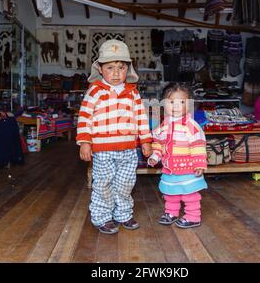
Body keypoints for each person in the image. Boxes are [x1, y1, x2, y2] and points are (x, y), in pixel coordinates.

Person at [76, 39, 152, 234]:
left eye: (121, 67)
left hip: (128, 150)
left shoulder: (132, 93)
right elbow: (85, 118)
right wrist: (85, 142)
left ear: (128, 69)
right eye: (110, 67)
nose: (116, 73)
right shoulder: (95, 91)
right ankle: (102, 217)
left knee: (126, 183)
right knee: (103, 183)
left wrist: (145, 140)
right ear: (100, 69)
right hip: (102, 151)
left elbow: (141, 118)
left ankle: (123, 214)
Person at [148, 83, 208, 228]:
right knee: (170, 193)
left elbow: (198, 145)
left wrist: (199, 163)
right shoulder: (162, 126)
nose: (175, 106)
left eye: (181, 102)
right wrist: (155, 156)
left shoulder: (191, 126)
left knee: (189, 194)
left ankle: (193, 217)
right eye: (171, 102)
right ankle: (171, 212)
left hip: (188, 169)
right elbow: (158, 143)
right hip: (170, 168)